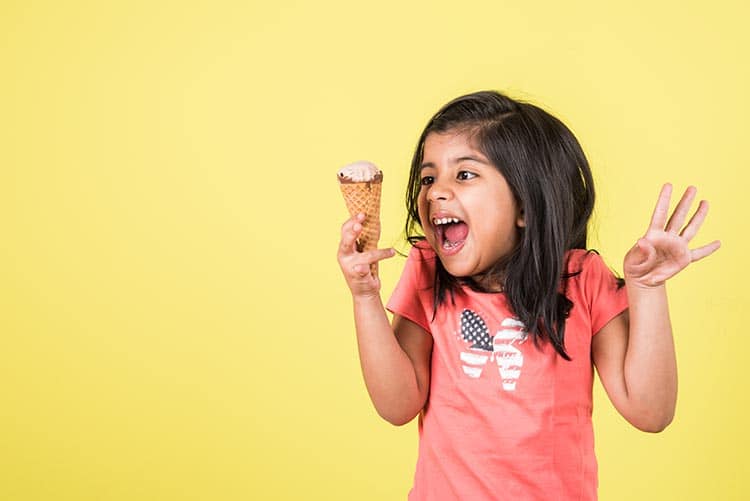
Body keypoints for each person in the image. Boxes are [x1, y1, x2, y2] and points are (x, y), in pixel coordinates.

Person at [336, 91, 720, 500]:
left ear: (525, 205)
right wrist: (364, 297)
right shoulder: (428, 271)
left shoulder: (582, 280)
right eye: (428, 178)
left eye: (464, 175)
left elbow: (651, 412)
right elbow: (397, 406)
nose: (435, 193)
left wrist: (647, 289)